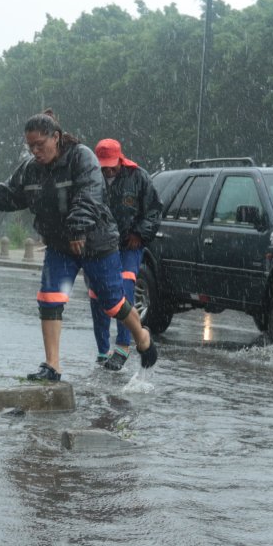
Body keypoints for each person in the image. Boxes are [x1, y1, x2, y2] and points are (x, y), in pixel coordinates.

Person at [0, 110, 158, 381]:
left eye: (40, 145)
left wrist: (79, 228)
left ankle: (141, 336)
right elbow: (10, 193)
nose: (35, 151)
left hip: (96, 242)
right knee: (49, 298)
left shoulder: (82, 157)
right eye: (30, 146)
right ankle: (52, 366)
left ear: (56, 138)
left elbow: (90, 194)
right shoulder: (30, 169)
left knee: (112, 302)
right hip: (60, 245)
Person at [89, 138, 163, 371]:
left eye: (112, 164)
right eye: (104, 165)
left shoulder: (138, 177)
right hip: (100, 246)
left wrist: (139, 234)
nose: (109, 169)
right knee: (97, 296)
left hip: (129, 245)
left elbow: (153, 211)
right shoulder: (91, 177)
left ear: (120, 159)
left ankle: (123, 346)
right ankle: (103, 351)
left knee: (125, 287)